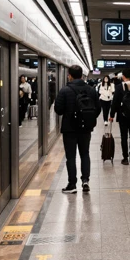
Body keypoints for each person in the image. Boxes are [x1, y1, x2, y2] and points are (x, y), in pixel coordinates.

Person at [54, 65, 100, 193]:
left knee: (71, 157)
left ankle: (72, 184)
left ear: (70, 75)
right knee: (85, 154)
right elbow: (98, 108)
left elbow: (58, 110)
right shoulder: (91, 90)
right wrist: (88, 118)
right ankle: (85, 181)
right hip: (85, 129)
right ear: (82, 75)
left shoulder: (64, 90)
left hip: (69, 129)